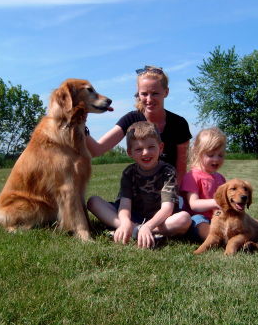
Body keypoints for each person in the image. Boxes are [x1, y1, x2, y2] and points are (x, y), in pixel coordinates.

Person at [87, 121, 191, 249]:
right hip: (133, 215)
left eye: (151, 147)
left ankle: (138, 231)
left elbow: (167, 209)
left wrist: (149, 226)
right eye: (138, 149)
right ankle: (133, 229)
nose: (145, 152)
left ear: (161, 147)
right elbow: (125, 205)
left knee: (184, 219)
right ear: (130, 153)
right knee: (93, 202)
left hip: (160, 219)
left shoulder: (168, 171)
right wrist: (125, 222)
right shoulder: (129, 172)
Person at [86, 65, 192, 183]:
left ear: (166, 92)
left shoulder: (179, 124)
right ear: (138, 93)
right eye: (144, 94)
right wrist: (81, 125)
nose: (149, 99)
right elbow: (97, 150)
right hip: (139, 191)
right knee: (93, 202)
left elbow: (181, 170)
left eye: (155, 93)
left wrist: (172, 197)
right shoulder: (131, 119)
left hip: (169, 190)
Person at [180, 127, 227, 242]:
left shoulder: (220, 178)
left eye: (220, 155)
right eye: (210, 155)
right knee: (198, 220)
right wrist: (217, 202)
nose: (216, 159)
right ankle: (215, 238)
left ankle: (234, 236)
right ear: (197, 153)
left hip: (218, 217)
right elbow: (194, 204)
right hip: (198, 219)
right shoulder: (192, 176)